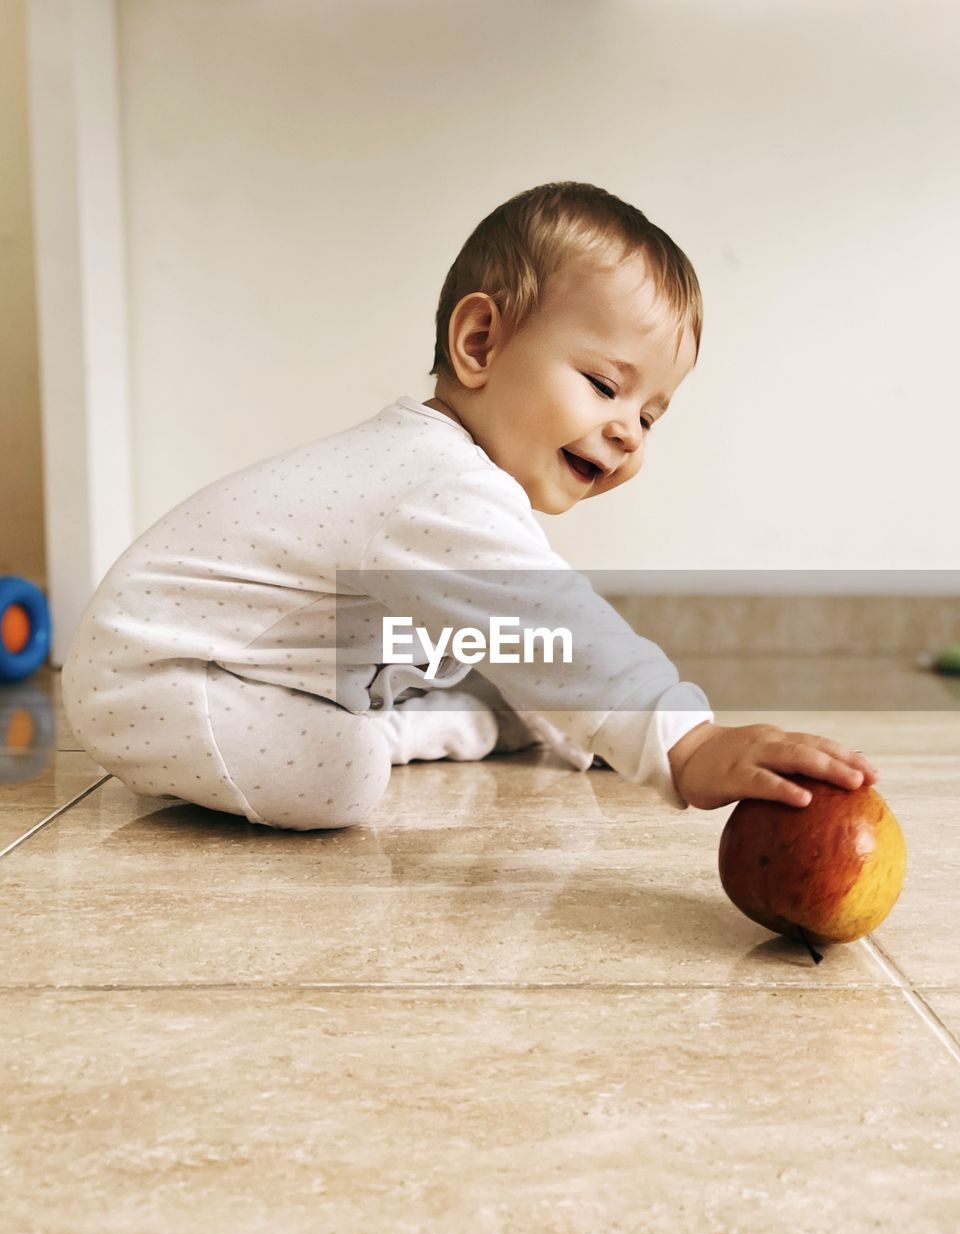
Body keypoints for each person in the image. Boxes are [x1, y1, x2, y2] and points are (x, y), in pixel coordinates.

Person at [60, 180, 877, 830]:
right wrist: (685, 742)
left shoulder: (446, 487)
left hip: (228, 664)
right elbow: (551, 625)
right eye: (604, 385)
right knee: (345, 776)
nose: (627, 431)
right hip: (153, 680)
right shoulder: (434, 483)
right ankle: (413, 731)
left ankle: (461, 712)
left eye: (651, 415)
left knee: (467, 648)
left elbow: (529, 630)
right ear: (480, 343)